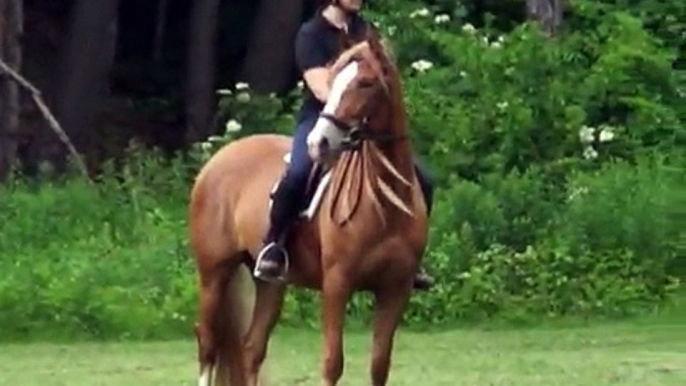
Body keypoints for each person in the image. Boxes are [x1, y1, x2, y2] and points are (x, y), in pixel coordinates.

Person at [253, 0, 435, 290]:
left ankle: (411, 257)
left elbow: (384, 76)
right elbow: (321, 88)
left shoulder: (367, 30)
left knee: (422, 177)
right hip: (323, 118)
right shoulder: (311, 35)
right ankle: (275, 244)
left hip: (365, 121)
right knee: (299, 172)